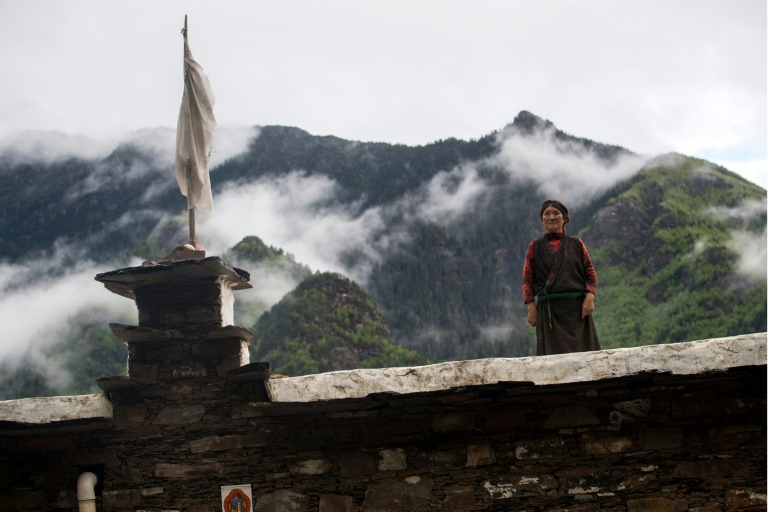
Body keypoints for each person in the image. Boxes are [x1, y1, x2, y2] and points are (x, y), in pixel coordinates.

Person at [522, 199, 600, 355]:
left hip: (577, 310)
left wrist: (590, 297)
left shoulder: (576, 244)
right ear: (542, 220)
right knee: (552, 358)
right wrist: (531, 307)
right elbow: (527, 280)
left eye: (556, 213)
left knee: (584, 355)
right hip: (549, 312)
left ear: (564, 218)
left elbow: (590, 273)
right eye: (547, 214)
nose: (551, 217)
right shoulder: (535, 247)